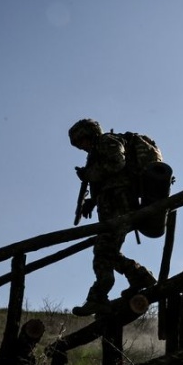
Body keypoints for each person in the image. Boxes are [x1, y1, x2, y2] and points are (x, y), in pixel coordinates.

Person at [68, 118, 157, 317]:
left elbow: (117, 164)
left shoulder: (106, 141)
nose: (81, 147)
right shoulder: (96, 151)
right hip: (112, 204)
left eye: (81, 141)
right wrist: (92, 201)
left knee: (103, 250)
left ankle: (100, 295)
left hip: (121, 203)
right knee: (105, 250)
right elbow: (107, 179)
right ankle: (137, 277)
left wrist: (89, 174)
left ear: (88, 134)